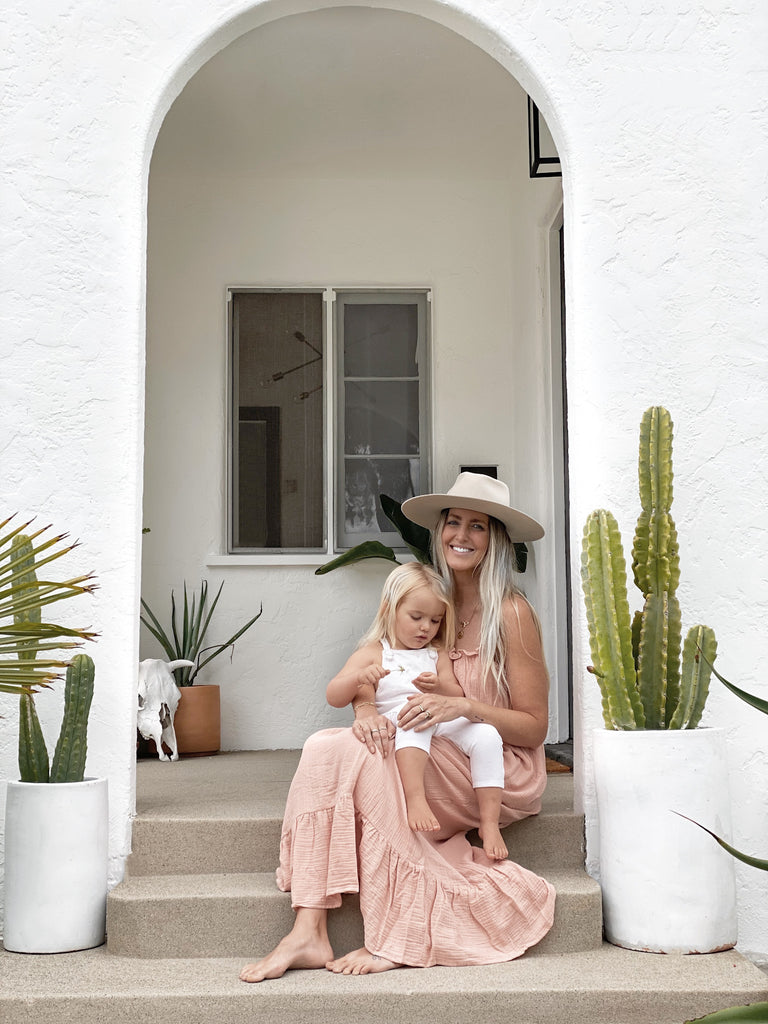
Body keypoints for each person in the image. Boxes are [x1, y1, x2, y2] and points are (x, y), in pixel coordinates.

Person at [240, 471, 555, 982]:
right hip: (426, 747)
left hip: (491, 761)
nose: (462, 535)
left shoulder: (512, 613)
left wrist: (463, 708)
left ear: (495, 539)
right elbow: (378, 678)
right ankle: (309, 930)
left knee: (350, 754)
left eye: (478, 526)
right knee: (326, 745)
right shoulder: (425, 599)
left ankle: (398, 933)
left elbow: (534, 728)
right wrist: (364, 712)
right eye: (454, 522)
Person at [326, 561, 508, 858]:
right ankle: (415, 798)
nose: (426, 627)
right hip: (404, 721)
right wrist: (358, 678)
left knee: (487, 734)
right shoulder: (373, 652)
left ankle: (490, 823)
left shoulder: (435, 654)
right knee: (415, 718)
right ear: (389, 609)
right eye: (416, 617)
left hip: (436, 716)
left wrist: (438, 687)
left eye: (435, 620)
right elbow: (333, 694)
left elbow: (455, 693)